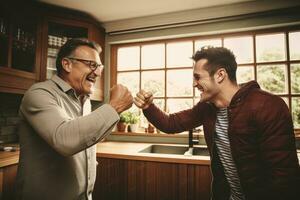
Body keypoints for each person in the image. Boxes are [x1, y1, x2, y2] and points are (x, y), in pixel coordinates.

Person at [134, 46, 300, 200]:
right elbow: (171, 124)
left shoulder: (268, 106)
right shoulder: (207, 108)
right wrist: (148, 107)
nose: (194, 84)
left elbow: (284, 177)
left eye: (197, 77)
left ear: (220, 75)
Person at [15, 38, 133, 200]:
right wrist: (115, 107)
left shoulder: (84, 100)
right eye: (92, 65)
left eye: (99, 67)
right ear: (67, 64)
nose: (98, 73)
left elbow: (85, 136)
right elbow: (65, 139)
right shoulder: (39, 93)